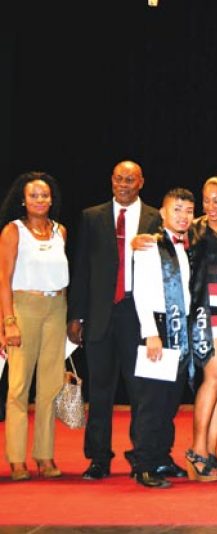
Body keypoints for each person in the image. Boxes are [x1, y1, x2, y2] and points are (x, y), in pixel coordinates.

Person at [67, 160, 165, 480]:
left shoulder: (156, 218)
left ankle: (142, 457)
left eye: (130, 179)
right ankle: (98, 458)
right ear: (111, 181)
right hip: (100, 315)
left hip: (139, 315)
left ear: (141, 182)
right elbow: (82, 269)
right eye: (119, 179)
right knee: (100, 392)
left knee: (141, 391)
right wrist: (76, 316)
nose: (124, 184)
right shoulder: (91, 217)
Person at [129, 188, 201, 489]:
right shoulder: (149, 245)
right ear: (162, 212)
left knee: (171, 401)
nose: (182, 216)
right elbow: (141, 292)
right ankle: (144, 464)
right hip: (157, 326)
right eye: (177, 210)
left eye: (187, 211)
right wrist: (150, 334)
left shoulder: (191, 245)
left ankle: (161, 456)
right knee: (151, 401)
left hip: (181, 327)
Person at [0, 172, 68, 481]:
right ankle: (16, 458)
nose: (40, 200)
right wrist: (8, 321)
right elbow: (4, 278)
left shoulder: (60, 232)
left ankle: (44, 453)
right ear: (23, 200)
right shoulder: (13, 231)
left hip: (56, 308)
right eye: (34, 195)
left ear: (51, 199)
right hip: (23, 307)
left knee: (51, 386)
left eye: (44, 195)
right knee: (18, 387)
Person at [180, 173, 217, 481]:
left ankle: (211, 450)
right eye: (206, 200)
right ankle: (197, 451)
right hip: (206, 307)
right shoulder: (193, 228)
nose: (211, 205)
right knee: (215, 376)